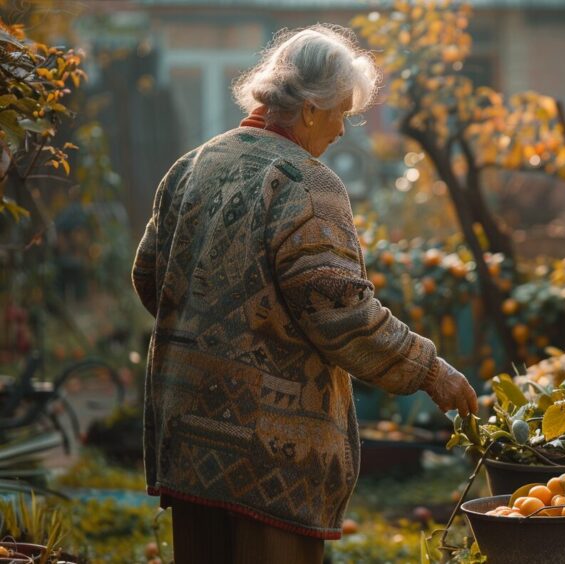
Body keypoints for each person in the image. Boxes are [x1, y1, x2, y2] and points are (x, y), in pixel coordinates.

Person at [131, 24, 477, 564]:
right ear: (311, 109)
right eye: (341, 111)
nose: (342, 130)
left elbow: (150, 278)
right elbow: (343, 314)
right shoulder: (305, 183)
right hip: (271, 451)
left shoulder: (192, 166)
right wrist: (431, 370)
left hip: (189, 436)